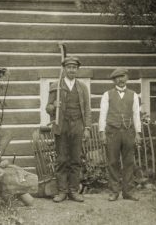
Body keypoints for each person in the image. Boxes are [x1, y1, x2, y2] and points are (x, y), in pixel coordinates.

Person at [44, 56, 92, 203]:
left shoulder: (82, 87)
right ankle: (62, 191)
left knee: (76, 159)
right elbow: (48, 107)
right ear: (64, 69)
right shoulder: (56, 87)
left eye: (74, 67)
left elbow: (87, 109)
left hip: (77, 125)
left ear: (77, 70)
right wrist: (54, 106)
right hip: (61, 125)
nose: (72, 70)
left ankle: (73, 191)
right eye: (69, 67)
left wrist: (87, 128)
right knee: (62, 159)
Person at [99, 68, 142, 201]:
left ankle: (128, 191)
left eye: (122, 76)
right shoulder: (107, 95)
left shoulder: (133, 95)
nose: (120, 79)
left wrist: (138, 133)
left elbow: (136, 115)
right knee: (112, 161)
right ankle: (114, 191)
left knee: (129, 161)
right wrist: (102, 132)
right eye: (117, 77)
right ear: (114, 80)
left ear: (127, 78)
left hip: (128, 132)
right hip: (112, 131)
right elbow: (103, 114)